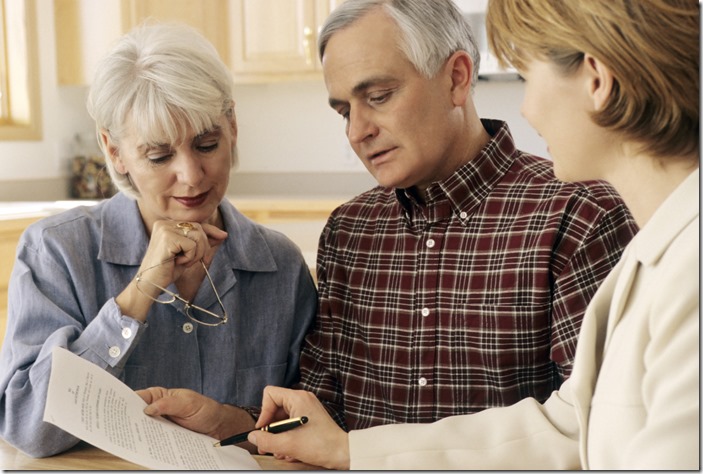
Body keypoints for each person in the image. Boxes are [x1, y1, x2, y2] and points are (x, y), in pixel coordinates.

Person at [216, 0, 699, 469]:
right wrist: (234, 426)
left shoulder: (583, 214)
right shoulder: (348, 229)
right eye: (344, 111)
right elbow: (319, 423)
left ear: (457, 78)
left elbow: (581, 432)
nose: (357, 131)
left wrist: (352, 452)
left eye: (379, 96)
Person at [0, 23, 317, 458]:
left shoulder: (281, 266)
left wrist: (234, 421)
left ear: (233, 126)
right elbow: (27, 429)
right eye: (159, 155)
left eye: (207, 144)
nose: (190, 176)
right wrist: (139, 293)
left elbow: (314, 426)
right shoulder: (55, 253)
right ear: (114, 152)